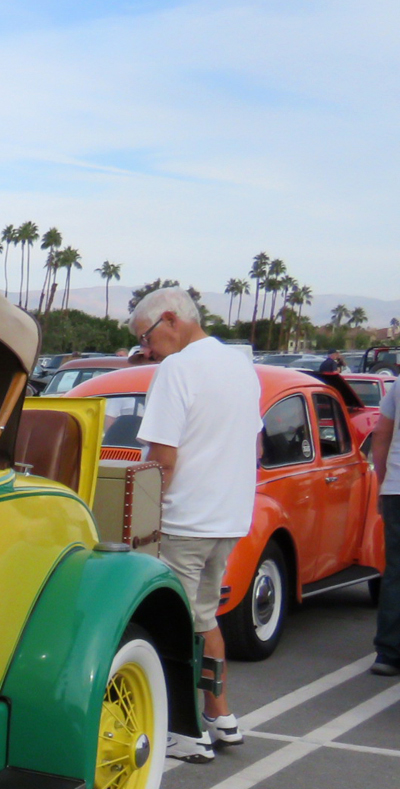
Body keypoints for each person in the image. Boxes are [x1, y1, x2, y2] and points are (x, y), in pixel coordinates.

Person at [131, 286, 263, 760]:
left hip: (185, 520)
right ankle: (220, 713)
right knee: (204, 615)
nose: (145, 350)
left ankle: (183, 730)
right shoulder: (239, 365)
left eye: (146, 337)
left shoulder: (177, 368)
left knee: (172, 624)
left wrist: (138, 518)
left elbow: (162, 461)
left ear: (170, 320)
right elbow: (256, 447)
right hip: (227, 517)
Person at [366, 381, 400, 676]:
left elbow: (381, 435)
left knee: (396, 572)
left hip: (397, 490)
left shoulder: (399, 386)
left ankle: (388, 652)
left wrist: (382, 483)